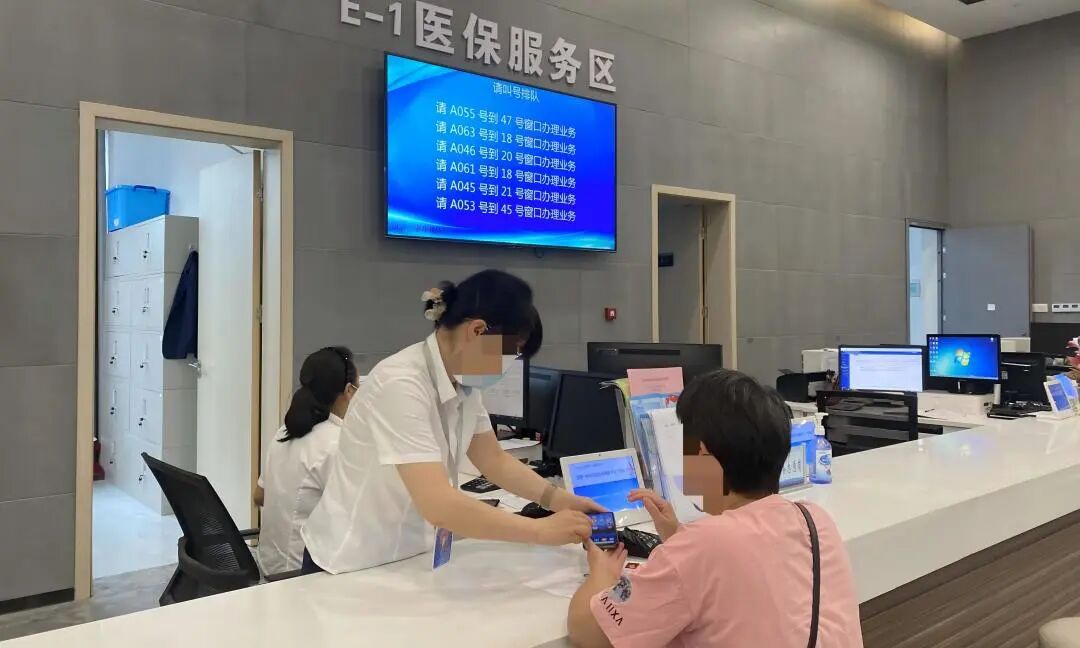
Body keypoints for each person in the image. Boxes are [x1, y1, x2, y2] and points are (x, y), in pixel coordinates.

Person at [301, 270, 601, 574]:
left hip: (405, 556)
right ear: (478, 331)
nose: (509, 365)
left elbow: (493, 460)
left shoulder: (464, 383)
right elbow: (439, 504)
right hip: (351, 561)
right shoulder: (400, 383)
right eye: (512, 352)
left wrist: (559, 500)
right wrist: (540, 531)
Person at [567, 369, 863, 648]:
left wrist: (601, 574)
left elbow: (586, 631)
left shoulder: (701, 546)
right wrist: (677, 537)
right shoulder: (815, 519)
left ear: (703, 455)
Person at [253, 346, 358, 575]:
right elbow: (357, 519)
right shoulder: (336, 444)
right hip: (301, 574)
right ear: (349, 391)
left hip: (268, 565)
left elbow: (259, 496)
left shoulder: (284, 432)